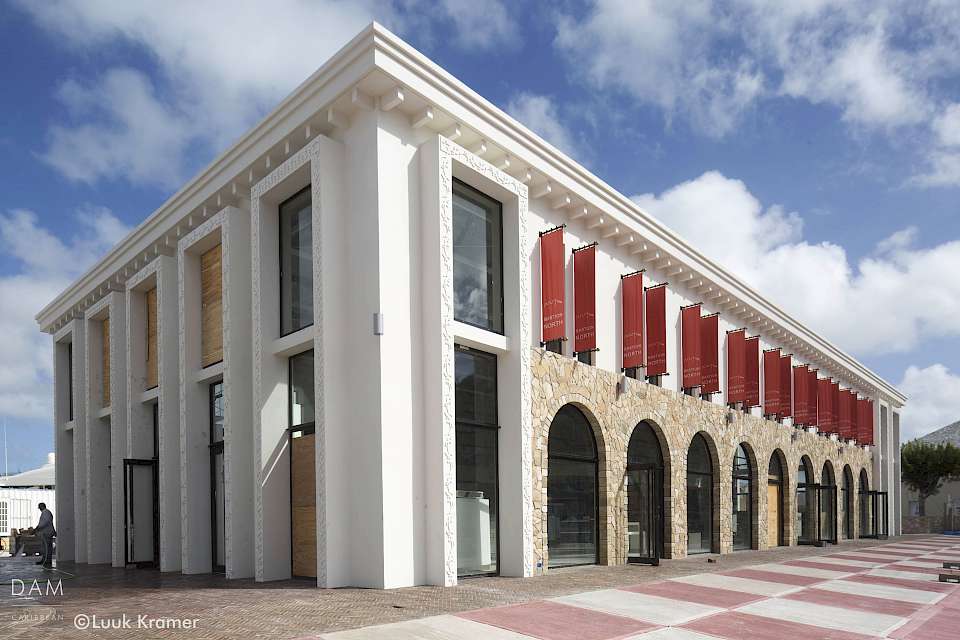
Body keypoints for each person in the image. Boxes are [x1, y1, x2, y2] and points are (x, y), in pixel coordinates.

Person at [34, 503, 56, 568]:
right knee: (48, 547)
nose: (39, 509)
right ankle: (47, 560)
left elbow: (44, 523)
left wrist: (37, 528)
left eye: (39, 507)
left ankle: (45, 560)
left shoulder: (45, 513)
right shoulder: (47, 512)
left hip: (47, 533)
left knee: (46, 548)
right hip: (48, 532)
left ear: (42, 506)